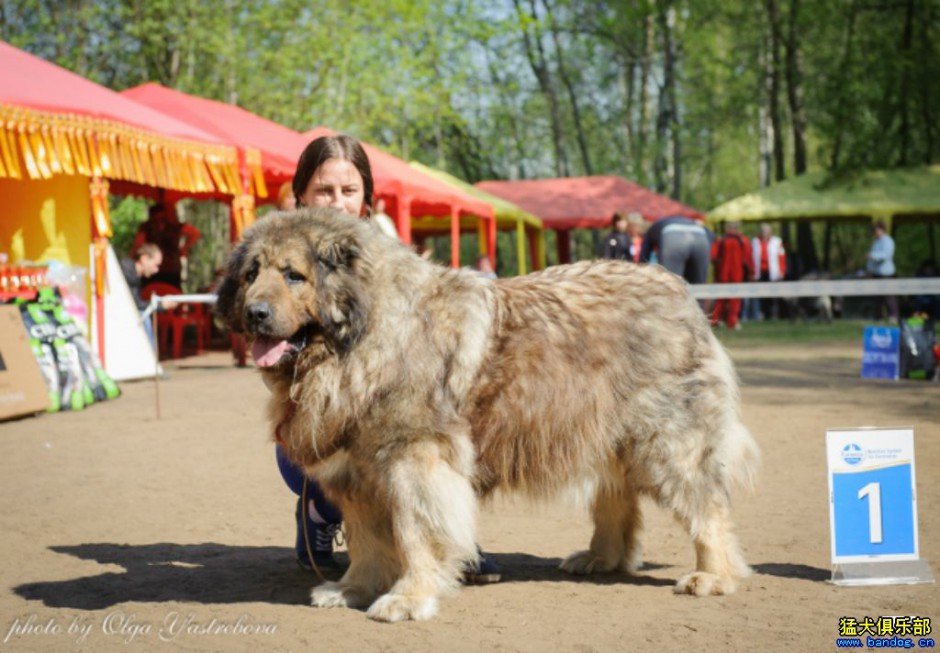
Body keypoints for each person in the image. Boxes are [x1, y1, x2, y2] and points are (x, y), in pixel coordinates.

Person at [279, 134, 501, 583]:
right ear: (300, 195)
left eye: (348, 191)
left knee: (436, 431)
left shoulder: (395, 261)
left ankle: (444, 536)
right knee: (330, 444)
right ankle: (320, 516)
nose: (336, 203)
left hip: (399, 412)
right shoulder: (276, 258)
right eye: (324, 190)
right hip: (321, 421)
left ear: (366, 200)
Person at [119, 243, 176, 347]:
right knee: (142, 315)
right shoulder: (127, 274)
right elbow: (134, 305)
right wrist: (160, 305)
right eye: (155, 265)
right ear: (144, 259)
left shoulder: (132, 274)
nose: (156, 270)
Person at [132, 203, 201, 289]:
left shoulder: (175, 226)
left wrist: (184, 249)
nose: (159, 220)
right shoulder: (146, 227)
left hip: (171, 269)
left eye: (161, 217)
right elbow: (138, 245)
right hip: (152, 270)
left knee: (172, 294)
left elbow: (195, 233)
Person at [639, 215, 713, 285]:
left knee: (671, 284)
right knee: (699, 287)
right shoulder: (688, 221)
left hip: (673, 238)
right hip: (700, 237)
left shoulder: (650, 230)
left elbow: (643, 257)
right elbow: (711, 235)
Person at [710, 221, 753, 330]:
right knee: (735, 298)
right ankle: (732, 322)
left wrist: (717, 270)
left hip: (723, 273)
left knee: (720, 298)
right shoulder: (743, 240)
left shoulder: (721, 240)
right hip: (737, 273)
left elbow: (713, 257)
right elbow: (748, 259)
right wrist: (751, 272)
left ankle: (715, 321)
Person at [751, 223, 787, 320]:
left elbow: (782, 257)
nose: (764, 233)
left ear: (770, 232)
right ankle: (764, 315)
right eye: (763, 231)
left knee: (775, 296)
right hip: (760, 273)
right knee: (762, 296)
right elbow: (752, 258)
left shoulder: (777, 241)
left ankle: (776, 315)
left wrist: (782, 271)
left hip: (774, 273)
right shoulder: (755, 241)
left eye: (766, 231)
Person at [866, 219, 898, 322]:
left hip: (886, 273)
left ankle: (893, 316)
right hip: (876, 273)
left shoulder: (888, 241)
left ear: (882, 230)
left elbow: (886, 255)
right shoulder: (876, 242)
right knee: (877, 297)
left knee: (889, 296)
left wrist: (873, 256)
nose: (875, 233)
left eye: (876, 230)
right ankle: (878, 316)